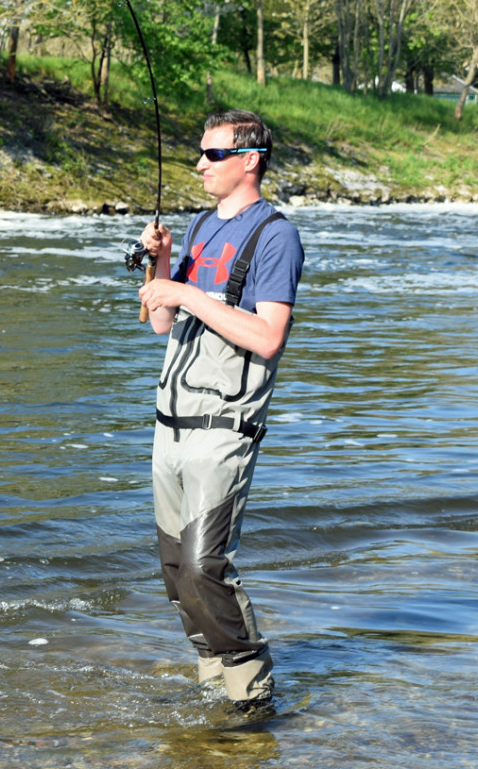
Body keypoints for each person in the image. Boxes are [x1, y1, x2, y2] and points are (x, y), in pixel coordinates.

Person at [138, 108, 304, 711]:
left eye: (212, 155)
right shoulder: (201, 228)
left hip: (224, 428)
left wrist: (186, 291)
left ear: (249, 160)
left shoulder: (275, 236)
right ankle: (216, 694)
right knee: (176, 572)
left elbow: (267, 337)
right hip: (169, 426)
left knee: (207, 564)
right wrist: (162, 266)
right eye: (199, 153)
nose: (199, 165)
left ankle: (253, 699)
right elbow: (161, 323)